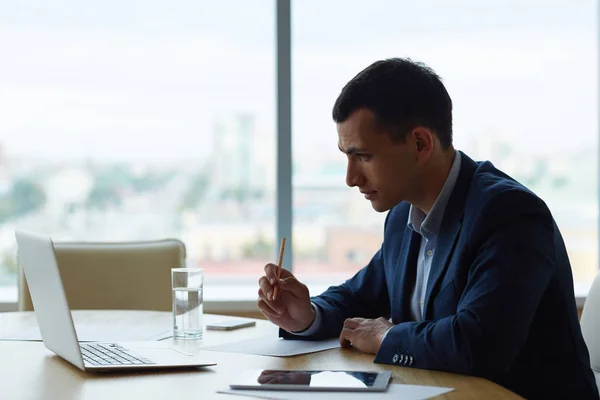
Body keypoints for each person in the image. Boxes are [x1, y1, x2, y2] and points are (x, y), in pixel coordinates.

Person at [256, 58, 599, 399]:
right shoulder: (402, 215)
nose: (350, 178)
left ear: (421, 144)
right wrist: (307, 316)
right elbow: (360, 298)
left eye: (363, 156)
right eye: (346, 156)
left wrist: (386, 337)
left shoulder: (510, 214)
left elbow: (478, 345)